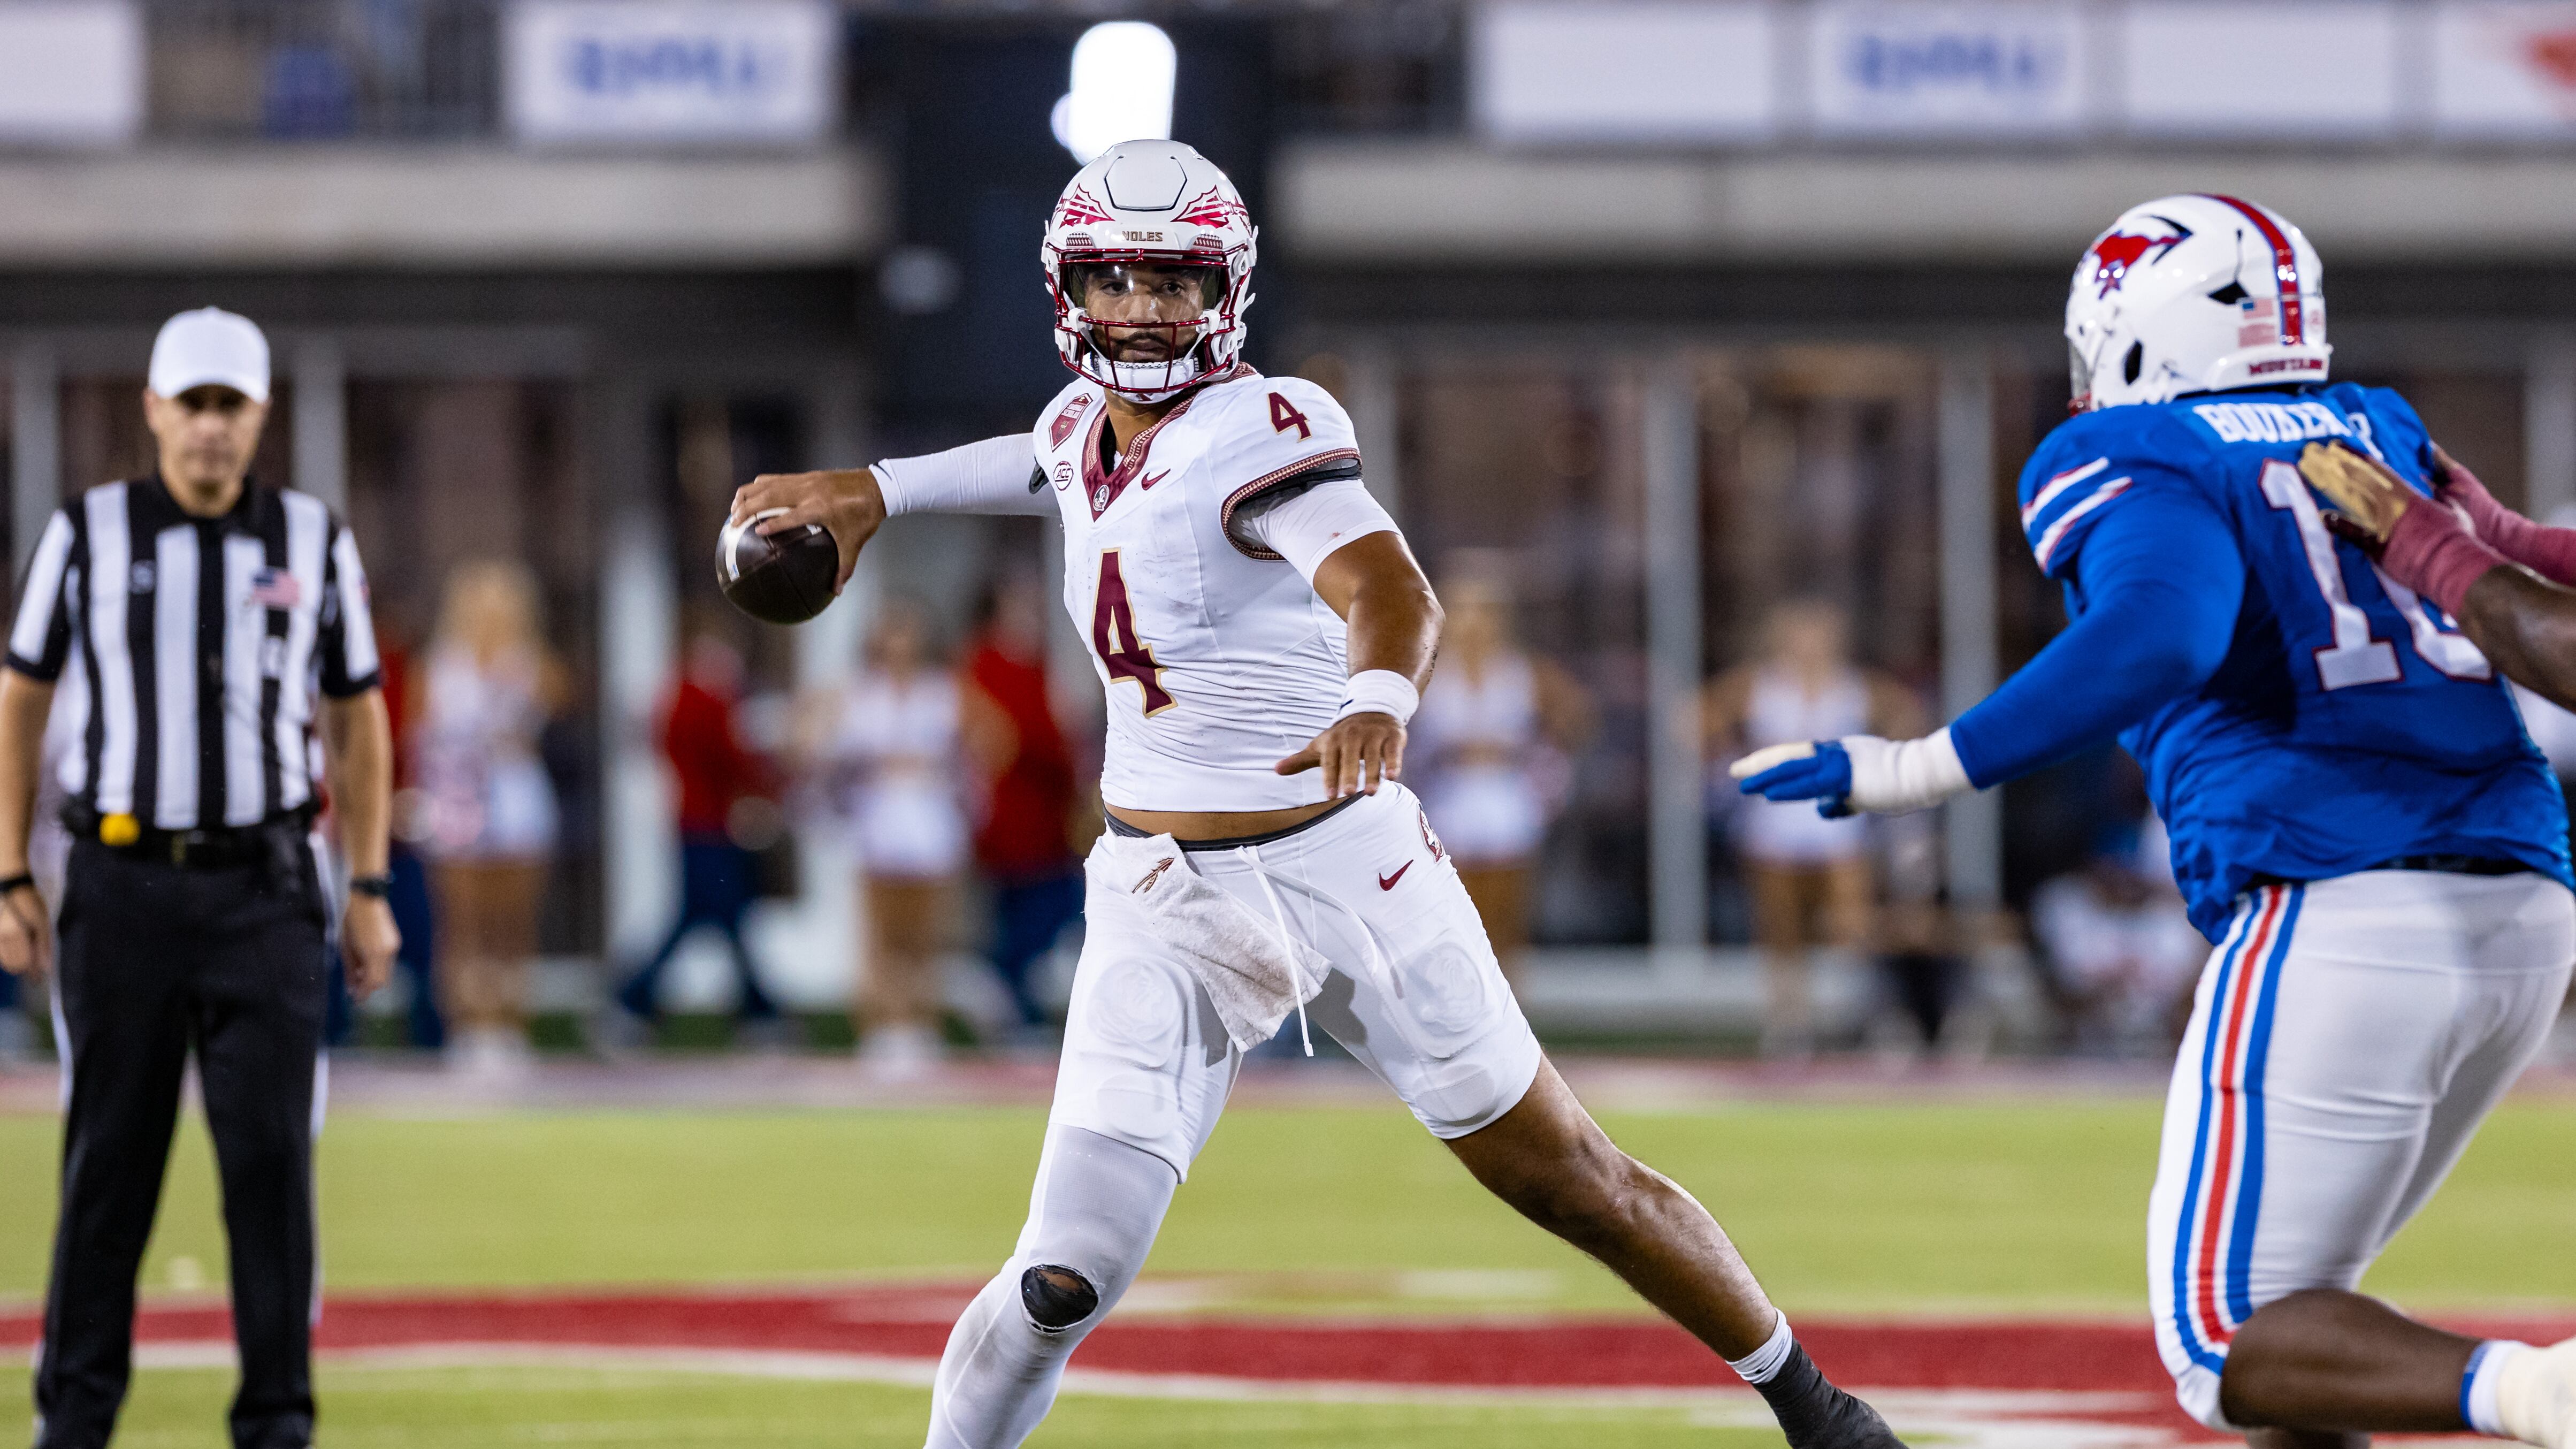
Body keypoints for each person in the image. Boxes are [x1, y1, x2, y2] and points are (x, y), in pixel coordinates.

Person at [732, 139, 1904, 1449]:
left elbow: (1387, 584)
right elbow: (1038, 458)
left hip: (1346, 864)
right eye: (1114, 278)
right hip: (1163, 894)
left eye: (1172, 282)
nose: (1139, 308)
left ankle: (1817, 1407)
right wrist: (875, 489)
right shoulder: (1080, 425)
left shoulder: (1264, 423)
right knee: (1064, 1272)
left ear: (1223, 292)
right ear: (1069, 287)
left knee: (1568, 1176)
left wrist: (1378, 696)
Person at [1736, 195, 2576, 1447]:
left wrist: (1915, 766)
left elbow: (2163, 632)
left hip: (2336, 897)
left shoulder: (2132, 445)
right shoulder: (2374, 424)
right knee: (2307, 1337)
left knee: (2223, 1343)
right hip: (2523, 907)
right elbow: (2514, 552)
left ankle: (2545, 1394)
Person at [0, 307, 398, 1449]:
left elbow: (357, 715)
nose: (211, 426)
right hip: (122, 881)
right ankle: (75, 1420)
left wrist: (368, 884)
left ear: (261, 414)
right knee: (107, 1168)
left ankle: (276, 1421)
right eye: (194, 404)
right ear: (155, 409)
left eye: (231, 405)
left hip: (266, 888)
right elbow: (19, 698)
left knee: (271, 1169)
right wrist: (8, 870)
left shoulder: (313, 538)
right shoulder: (88, 533)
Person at [1704, 600, 1924, 1057]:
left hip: (1837, 830)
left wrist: (1879, 767)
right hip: (1774, 830)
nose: (1809, 646)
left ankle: (1873, 1015)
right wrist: (1729, 765)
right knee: (1782, 934)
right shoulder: (1760, 686)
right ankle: (1789, 1024)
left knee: (1854, 927)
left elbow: (1907, 713)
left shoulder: (1854, 687)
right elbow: (1700, 717)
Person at [799, 599, 966, 1074]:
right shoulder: (859, 694)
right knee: (880, 936)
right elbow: (815, 744)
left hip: (929, 828)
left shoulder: (941, 692)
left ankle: (921, 1025)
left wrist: (944, 773)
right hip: (877, 828)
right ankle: (882, 1026)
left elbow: (980, 746)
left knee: (924, 937)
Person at [413, 559, 562, 1073]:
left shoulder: (531, 662)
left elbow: (549, 707)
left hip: (517, 800)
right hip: (459, 799)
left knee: (512, 926)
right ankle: (467, 1027)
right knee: (463, 926)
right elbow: (424, 734)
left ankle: (510, 1026)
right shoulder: (440, 665)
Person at [1408, 570, 1592, 980]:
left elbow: (1578, 717)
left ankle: (1509, 996)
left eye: (1483, 612)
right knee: (1453, 914)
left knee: (1506, 916)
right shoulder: (1427, 671)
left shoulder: (1523, 671)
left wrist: (1543, 755)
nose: (1474, 623)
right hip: (1448, 800)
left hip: (1507, 801)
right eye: (1464, 611)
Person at [613, 624, 782, 1035]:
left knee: (715, 916)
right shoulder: (697, 700)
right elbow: (725, 756)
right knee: (719, 915)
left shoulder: (693, 698)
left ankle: (637, 999)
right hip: (703, 824)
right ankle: (636, 998)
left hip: (708, 822)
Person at [959, 573, 1086, 1033]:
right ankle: (1003, 986)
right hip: (1012, 811)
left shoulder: (1033, 664)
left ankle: (1014, 997)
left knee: (1049, 909)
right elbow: (1011, 738)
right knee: (1039, 908)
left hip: (1046, 810)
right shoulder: (983, 666)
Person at [2030, 826, 2205, 1054]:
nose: (2120, 881)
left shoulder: (2170, 918)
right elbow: (2059, 986)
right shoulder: (2067, 904)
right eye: (2110, 870)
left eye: (2126, 871)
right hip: (2081, 1038)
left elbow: (2190, 992)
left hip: (2157, 1041)